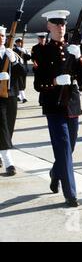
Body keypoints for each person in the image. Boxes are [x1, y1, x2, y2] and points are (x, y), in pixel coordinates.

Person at [33, 10, 82, 207]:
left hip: (72, 104)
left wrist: (80, 57)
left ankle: (56, 172)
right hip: (54, 105)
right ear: (48, 26)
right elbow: (38, 84)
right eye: (56, 23)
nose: (60, 27)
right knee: (64, 148)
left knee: (69, 147)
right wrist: (55, 80)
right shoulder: (40, 51)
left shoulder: (71, 48)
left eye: (63, 23)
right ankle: (71, 193)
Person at [0, 26, 26, 176]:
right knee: (2, 126)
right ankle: (9, 163)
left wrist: (14, 61)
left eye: (3, 36)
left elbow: (23, 72)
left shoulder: (12, 53)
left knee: (9, 127)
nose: (1, 39)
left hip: (11, 95)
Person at [13, 37, 31, 103]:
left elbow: (29, 57)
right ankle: (23, 97)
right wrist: (20, 52)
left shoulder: (25, 50)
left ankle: (19, 96)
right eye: (18, 42)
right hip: (18, 69)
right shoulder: (14, 50)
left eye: (21, 42)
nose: (20, 43)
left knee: (23, 83)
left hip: (24, 69)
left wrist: (23, 53)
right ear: (16, 43)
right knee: (20, 83)